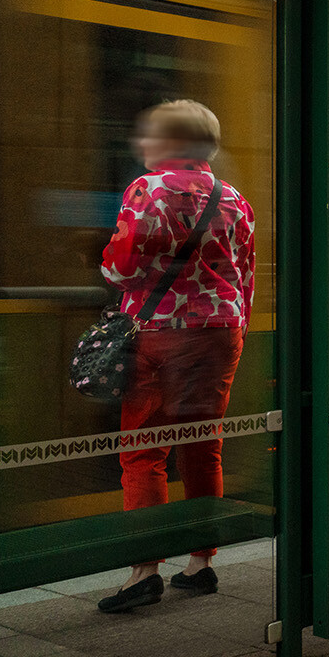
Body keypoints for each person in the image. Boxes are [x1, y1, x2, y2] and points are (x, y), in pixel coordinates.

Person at [97, 100, 256, 613]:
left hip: (161, 334)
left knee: (145, 449)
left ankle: (144, 571)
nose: (141, 145)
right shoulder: (234, 199)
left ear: (170, 144)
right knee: (201, 444)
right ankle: (201, 564)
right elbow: (246, 277)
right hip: (221, 333)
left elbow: (121, 269)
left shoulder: (149, 191)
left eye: (149, 136)